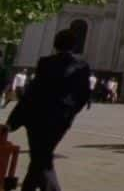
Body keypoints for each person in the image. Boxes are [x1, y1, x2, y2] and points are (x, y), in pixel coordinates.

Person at [5, 29, 90, 191]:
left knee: (41, 158)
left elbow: (34, 92)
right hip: (60, 120)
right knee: (41, 157)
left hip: (37, 118)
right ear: (75, 45)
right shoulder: (82, 66)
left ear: (55, 44)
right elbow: (84, 95)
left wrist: (13, 120)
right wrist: (70, 113)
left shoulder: (45, 62)